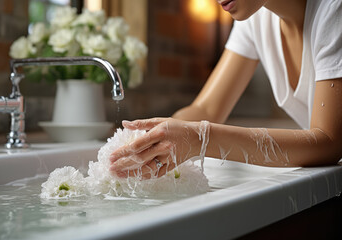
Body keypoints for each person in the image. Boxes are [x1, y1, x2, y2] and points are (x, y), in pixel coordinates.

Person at [108, 0, 342, 179]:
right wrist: (144, 141)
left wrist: (200, 139)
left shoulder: (333, 11)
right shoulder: (256, 20)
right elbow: (206, 109)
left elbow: (329, 142)